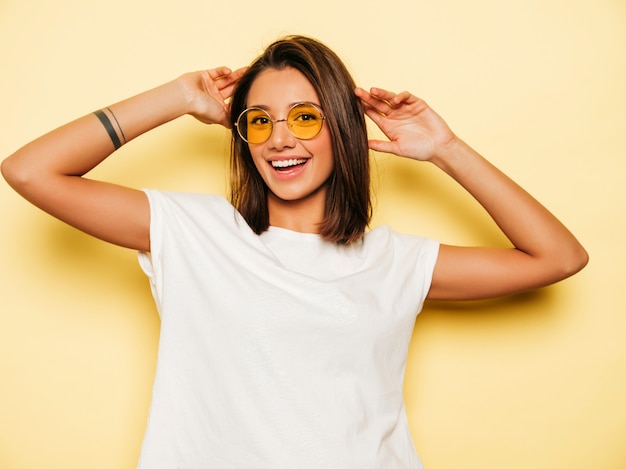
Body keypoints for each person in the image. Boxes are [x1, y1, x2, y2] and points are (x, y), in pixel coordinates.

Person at [1, 35, 588, 468]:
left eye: (305, 118)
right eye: (260, 121)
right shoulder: (193, 233)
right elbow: (29, 171)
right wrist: (177, 96)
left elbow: (558, 258)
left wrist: (446, 149)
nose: (280, 138)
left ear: (342, 128)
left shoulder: (394, 262)